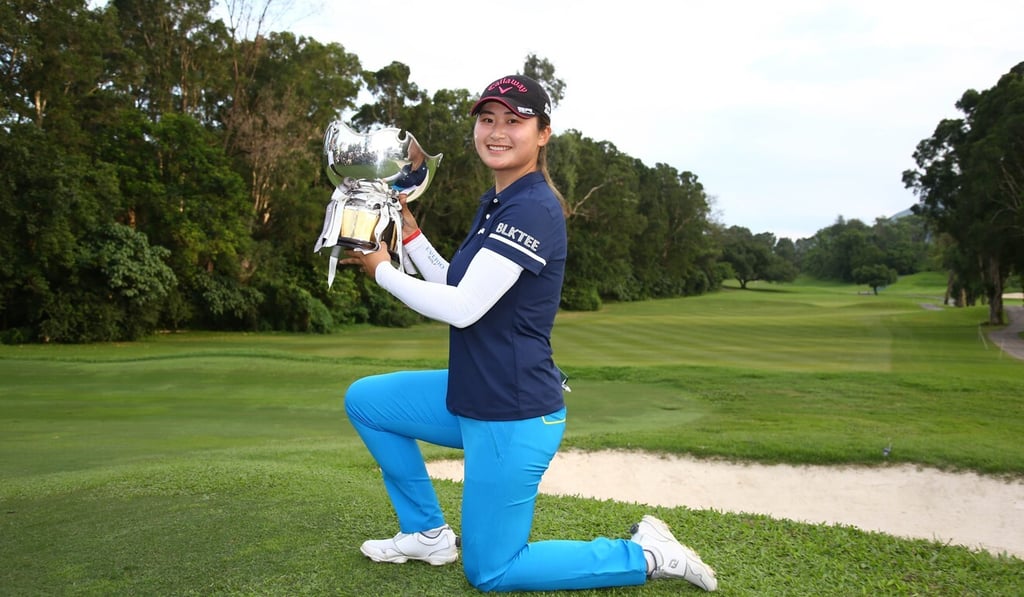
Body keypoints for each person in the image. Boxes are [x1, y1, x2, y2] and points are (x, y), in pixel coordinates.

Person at [341, 74, 718, 592]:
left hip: (512, 412)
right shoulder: (498, 201)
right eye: (487, 119)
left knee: (492, 571)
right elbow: (459, 280)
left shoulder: (532, 208)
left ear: (543, 133)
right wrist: (408, 230)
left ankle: (646, 555)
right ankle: (426, 532)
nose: (497, 131)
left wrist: (383, 269)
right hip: (472, 396)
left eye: (514, 121)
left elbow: (465, 308)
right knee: (368, 402)